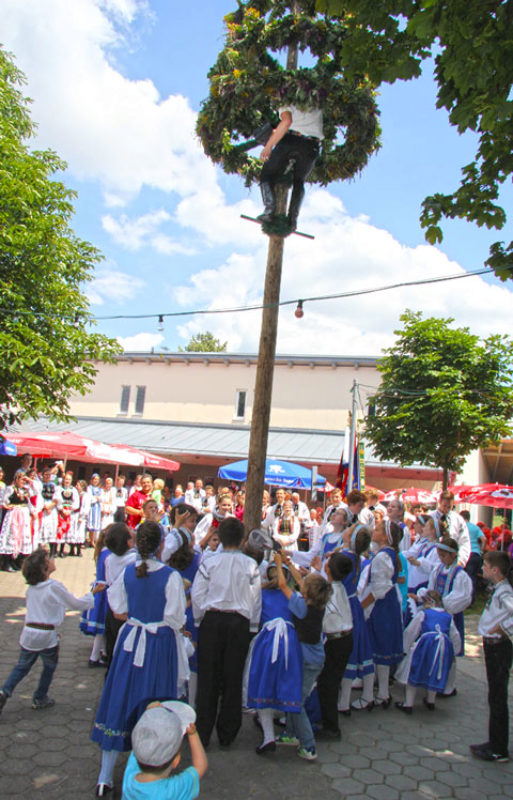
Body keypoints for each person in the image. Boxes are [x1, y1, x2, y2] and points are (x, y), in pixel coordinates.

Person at [91, 521, 187, 797]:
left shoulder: (127, 573)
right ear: (159, 545)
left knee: (120, 698)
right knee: (155, 702)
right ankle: (151, 773)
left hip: (131, 642)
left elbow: (118, 608)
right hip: (158, 645)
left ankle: (104, 776)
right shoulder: (170, 577)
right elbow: (175, 618)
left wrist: (138, 615)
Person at [0, 548, 99, 714]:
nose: (53, 559)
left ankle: (4, 691)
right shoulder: (54, 587)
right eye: (49, 558)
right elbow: (75, 604)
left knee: (22, 667)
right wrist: (92, 594)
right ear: (44, 568)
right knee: (49, 666)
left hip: (29, 634)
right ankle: (40, 696)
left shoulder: (31, 589)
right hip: (47, 635)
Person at [191, 516, 261, 748]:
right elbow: (255, 599)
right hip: (238, 623)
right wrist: (252, 626)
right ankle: (227, 732)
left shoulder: (209, 563)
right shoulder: (250, 565)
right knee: (233, 677)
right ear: (242, 540)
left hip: (212, 621)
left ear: (220, 537)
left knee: (208, 679)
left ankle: (203, 731)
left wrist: (200, 619)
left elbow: (198, 594)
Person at [274, 552, 331, 761]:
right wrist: (289, 564)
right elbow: (301, 582)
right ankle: (290, 734)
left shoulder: (301, 606)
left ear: (306, 593)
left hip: (309, 661)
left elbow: (283, 585)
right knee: (293, 695)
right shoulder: (318, 602)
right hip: (310, 657)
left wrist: (279, 565)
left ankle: (309, 745)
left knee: (297, 701)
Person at [243, 562, 303, 755]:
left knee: (264, 682)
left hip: (267, 640)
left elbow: (254, 616)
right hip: (289, 641)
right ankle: (287, 725)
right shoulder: (292, 595)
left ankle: (269, 735)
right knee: (287, 680)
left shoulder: (262, 594)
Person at [416, 536, 473, 697]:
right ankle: (433, 680)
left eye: (445, 555)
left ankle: (448, 685)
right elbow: (431, 587)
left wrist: (444, 604)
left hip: (450, 616)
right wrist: (428, 597)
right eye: (440, 555)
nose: (442, 558)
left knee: (450, 651)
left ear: (453, 555)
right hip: (436, 615)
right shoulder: (438, 569)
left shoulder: (460, 575)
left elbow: (462, 596)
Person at [470, 551, 513, 763]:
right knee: (494, 696)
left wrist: (502, 628)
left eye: (486, 566)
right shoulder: (498, 589)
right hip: (492, 646)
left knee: (497, 697)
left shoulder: (505, 592)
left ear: (495, 570)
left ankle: (499, 749)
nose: (483, 569)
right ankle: (494, 741)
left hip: (499, 648)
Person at [122, 700, 207, 800]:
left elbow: (143, 740)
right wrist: (193, 734)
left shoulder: (130, 778)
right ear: (176, 760)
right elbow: (200, 767)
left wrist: (151, 714)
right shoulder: (173, 790)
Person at [258, 104, 323, 231]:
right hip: (312, 145)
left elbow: (287, 122)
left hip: (291, 140)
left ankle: (269, 209)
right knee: (299, 181)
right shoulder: (316, 100)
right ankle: (293, 219)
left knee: (267, 174)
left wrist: (269, 146)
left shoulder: (286, 99)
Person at [360, 519, 404, 707]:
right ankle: (383, 692)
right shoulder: (388, 554)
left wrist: (361, 606)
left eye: (377, 529)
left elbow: (379, 588)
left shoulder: (382, 557)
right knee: (381, 648)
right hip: (388, 603)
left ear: (385, 536)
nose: (373, 530)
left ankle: (370, 694)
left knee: (375, 646)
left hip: (381, 606)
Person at [394, 589, 461, 713]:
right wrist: (454, 651)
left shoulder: (424, 614)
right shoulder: (448, 617)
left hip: (425, 645)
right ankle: (431, 701)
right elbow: (455, 635)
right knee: (434, 671)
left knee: (413, 671)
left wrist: (404, 647)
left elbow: (411, 631)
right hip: (442, 647)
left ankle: (408, 704)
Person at [317, 552, 353, 740]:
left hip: (336, 641)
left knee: (328, 684)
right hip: (344, 639)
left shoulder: (330, 591)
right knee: (330, 681)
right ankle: (328, 720)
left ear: (328, 569)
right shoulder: (338, 587)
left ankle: (331, 727)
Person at [80, 529, 110, 668]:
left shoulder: (103, 551)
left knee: (103, 628)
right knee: (102, 627)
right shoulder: (108, 554)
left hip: (100, 590)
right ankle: (94, 656)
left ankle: (103, 653)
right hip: (104, 592)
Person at [0, 469, 36, 570]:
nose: (23, 482)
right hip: (13, 516)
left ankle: (16, 561)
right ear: (16, 479)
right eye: (21, 479)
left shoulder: (25, 490)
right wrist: (6, 506)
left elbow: (36, 491)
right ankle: (6, 563)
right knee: (12, 537)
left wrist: (29, 480)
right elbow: (3, 500)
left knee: (21, 538)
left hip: (23, 517)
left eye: (24, 480)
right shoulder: (11, 489)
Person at [430, 491, 470, 566]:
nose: (446, 509)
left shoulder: (458, 520)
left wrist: (461, 561)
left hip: (451, 561)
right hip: (432, 559)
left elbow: (464, 542)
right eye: (444, 506)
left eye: (449, 507)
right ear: (439, 502)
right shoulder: (430, 518)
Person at [460, 509, 486, 603]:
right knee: (472, 577)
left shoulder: (460, 527)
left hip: (464, 554)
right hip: (475, 553)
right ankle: (471, 600)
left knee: (462, 576)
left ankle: (463, 599)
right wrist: (482, 550)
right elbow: (484, 539)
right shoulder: (475, 528)